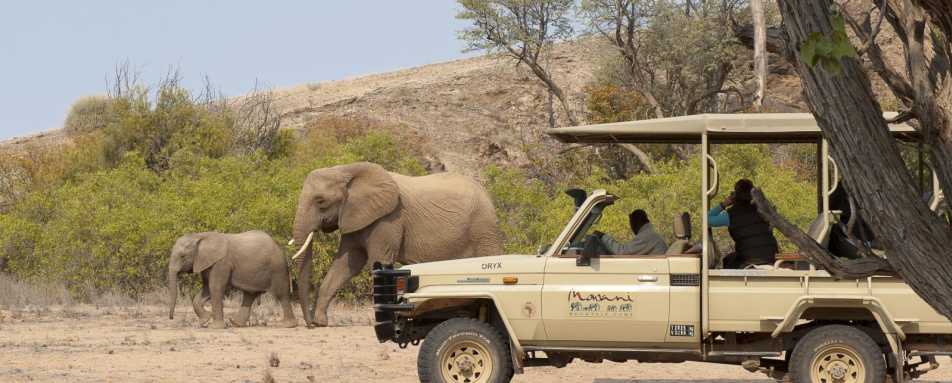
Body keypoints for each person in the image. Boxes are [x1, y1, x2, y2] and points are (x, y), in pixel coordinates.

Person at [709, 179, 778, 268]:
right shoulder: (763, 210)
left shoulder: (731, 214)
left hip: (748, 259)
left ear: (735, 196)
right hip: (771, 257)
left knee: (728, 260)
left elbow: (707, 220)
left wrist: (724, 204)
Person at [593, 209, 667, 255]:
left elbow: (622, 252)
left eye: (631, 224)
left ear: (636, 223)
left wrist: (602, 236)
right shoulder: (650, 234)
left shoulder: (647, 236)